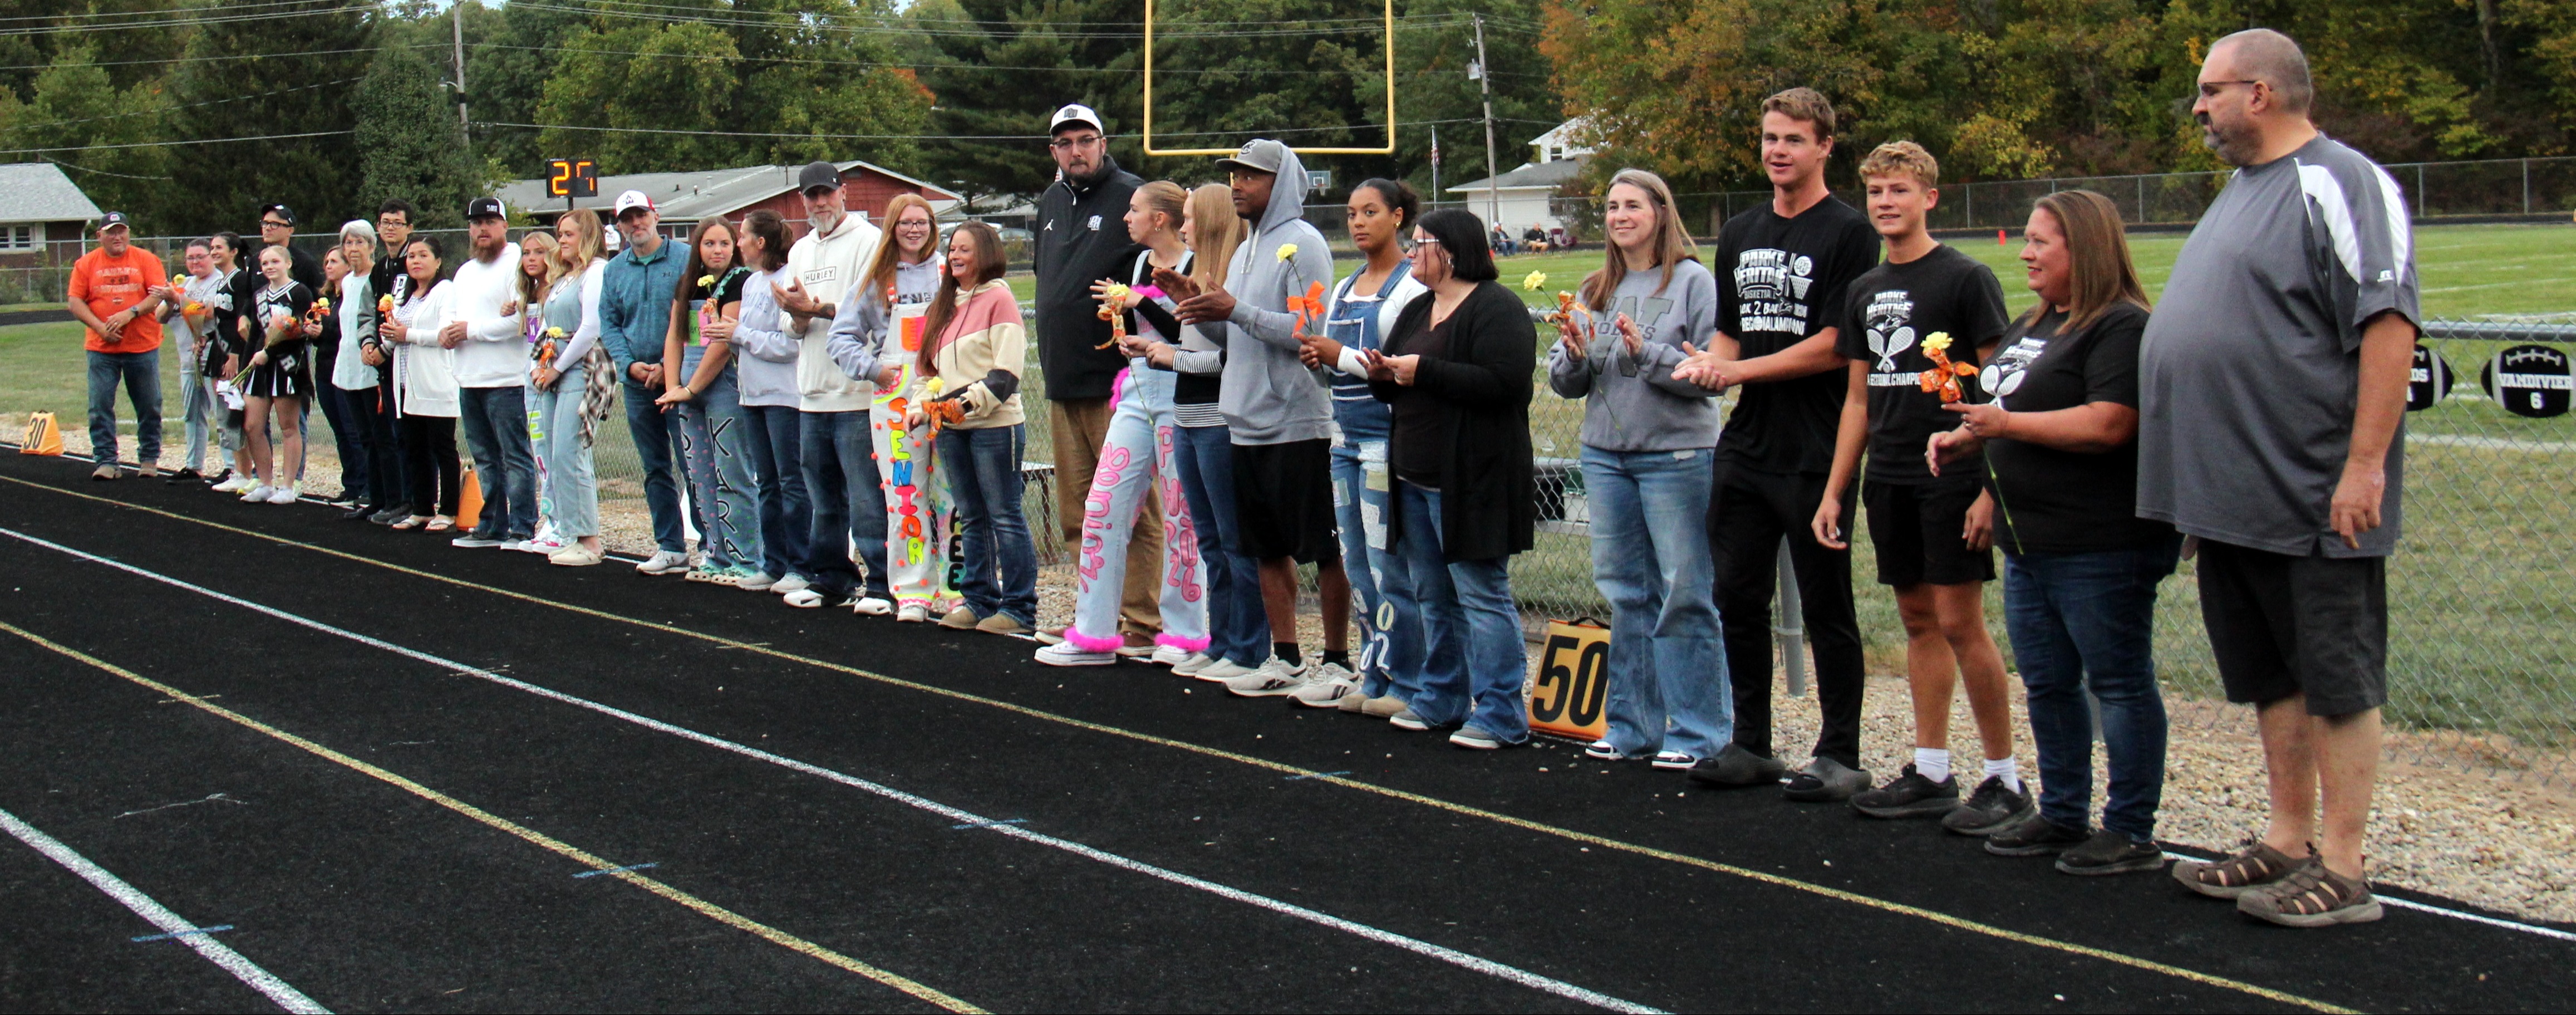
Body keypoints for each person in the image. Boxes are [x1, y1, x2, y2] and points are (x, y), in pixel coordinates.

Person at [2141, 29, 2416, 928]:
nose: (2197, 108)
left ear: (2258, 93)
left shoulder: (2340, 181)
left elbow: (2385, 323)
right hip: (2230, 496)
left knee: (2333, 675)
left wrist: (2362, 465)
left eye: (2208, 90)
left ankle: (2342, 865)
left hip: (2307, 490)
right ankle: (2285, 837)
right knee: (2270, 675)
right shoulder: (2238, 189)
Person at [1930, 189, 2177, 874]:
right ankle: (2063, 810)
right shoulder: (2033, 324)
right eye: (2030, 240)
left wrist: (2002, 427)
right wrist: (1968, 444)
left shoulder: (2119, 327)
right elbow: (2004, 409)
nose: (2028, 253)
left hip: (2100, 542)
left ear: (2085, 249)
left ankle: (2129, 827)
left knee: (2119, 682)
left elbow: (2108, 423)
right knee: (2047, 681)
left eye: (2042, 242)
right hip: (2028, 540)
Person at [1673, 87, 1881, 802]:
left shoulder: (1849, 232)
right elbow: (1731, 331)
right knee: (1735, 591)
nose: (1776, 151)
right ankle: (1751, 741)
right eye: (1768, 138)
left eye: (1793, 139)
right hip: (1748, 439)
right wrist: (1707, 365)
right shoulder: (1740, 230)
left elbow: (1832, 344)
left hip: (1817, 443)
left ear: (1825, 146)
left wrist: (1734, 368)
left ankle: (1838, 751)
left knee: (1826, 602)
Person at [1810, 141, 2021, 825]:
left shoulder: (1964, 278)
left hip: (1952, 473)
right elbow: (1857, 400)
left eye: (1898, 189)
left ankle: (2004, 777)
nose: (1884, 202)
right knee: (1916, 618)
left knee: (1962, 620)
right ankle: (1931, 767)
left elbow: (2000, 389)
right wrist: (1834, 489)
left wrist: (1990, 487)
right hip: (1890, 474)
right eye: (1874, 191)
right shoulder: (1864, 290)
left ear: (1928, 197)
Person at [1545, 169, 1731, 770]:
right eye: (1611, 206)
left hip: (1674, 457)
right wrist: (1574, 354)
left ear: (1659, 211)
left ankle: (1699, 732)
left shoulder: (1693, 284)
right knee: (1627, 594)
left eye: (1632, 205)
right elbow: (1566, 382)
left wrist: (1642, 350)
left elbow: (1709, 377)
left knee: (1684, 593)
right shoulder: (1597, 286)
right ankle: (1631, 727)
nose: (1619, 215)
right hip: (1605, 457)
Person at [1164, 139, 1350, 694]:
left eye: (1249, 176)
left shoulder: (1305, 244)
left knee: (1321, 545)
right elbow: (1236, 335)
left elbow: (1309, 330)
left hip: (1295, 420)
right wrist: (1197, 302)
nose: (1237, 185)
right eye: (1233, 176)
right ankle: (1286, 654)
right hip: (1243, 418)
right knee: (1264, 546)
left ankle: (1338, 657)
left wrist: (1235, 310)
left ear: (1280, 182)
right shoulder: (1244, 249)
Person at [1365, 208, 1537, 749]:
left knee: (1481, 592)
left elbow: (1508, 385)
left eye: (1421, 244)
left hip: (1472, 477)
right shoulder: (1420, 305)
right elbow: (1400, 378)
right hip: (1414, 474)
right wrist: (1382, 375)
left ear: (1453, 250)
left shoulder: (1497, 308)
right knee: (1430, 594)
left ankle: (1502, 711)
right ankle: (1442, 696)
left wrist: (1424, 371)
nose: (1411, 252)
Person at [1034, 180, 1209, 667]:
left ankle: (1184, 635)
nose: (1125, 218)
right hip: (1136, 395)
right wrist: (1125, 326)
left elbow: (1191, 333)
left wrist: (1140, 304)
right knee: (1103, 506)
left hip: (1181, 400)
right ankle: (1092, 632)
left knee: (1181, 518)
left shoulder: (1197, 265)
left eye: (1134, 211)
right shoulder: (1137, 264)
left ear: (1160, 219)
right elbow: (1144, 334)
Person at [1289, 177, 1427, 712]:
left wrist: (1337, 353)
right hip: (1342, 438)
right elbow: (1335, 369)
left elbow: (1393, 369)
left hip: (1383, 441)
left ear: (1398, 217)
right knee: (1356, 562)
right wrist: (1320, 362)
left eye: (1370, 212)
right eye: (1350, 213)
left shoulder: (1411, 288)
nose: (1358, 222)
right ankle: (1375, 669)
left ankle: (1408, 678)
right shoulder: (1345, 288)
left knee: (1391, 563)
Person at [1031, 102, 1167, 645]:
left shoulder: (1133, 198)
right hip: (1063, 379)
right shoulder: (1048, 200)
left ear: (1103, 143)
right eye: (1064, 142)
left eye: (1084, 139)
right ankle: (1096, 617)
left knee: (1130, 507)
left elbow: (1163, 277)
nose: (1075, 150)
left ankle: (1143, 622)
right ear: (1053, 152)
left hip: (1118, 382)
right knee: (1077, 512)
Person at [913, 222, 1038, 634]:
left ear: (985, 253)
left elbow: (1006, 375)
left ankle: (1019, 606)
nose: (955, 256)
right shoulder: (945, 306)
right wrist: (923, 407)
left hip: (994, 426)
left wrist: (958, 406)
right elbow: (926, 373)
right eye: (952, 250)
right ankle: (979, 599)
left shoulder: (999, 299)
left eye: (965, 249)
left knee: (1005, 514)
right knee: (970, 515)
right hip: (951, 428)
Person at [778, 162, 890, 610]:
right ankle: (832, 577)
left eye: (827, 193)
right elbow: (792, 325)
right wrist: (799, 313)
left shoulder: (867, 242)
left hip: (856, 390)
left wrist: (815, 308)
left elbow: (865, 311)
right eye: (812, 196)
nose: (820, 203)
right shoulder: (800, 250)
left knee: (865, 496)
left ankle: (882, 581)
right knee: (822, 497)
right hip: (811, 391)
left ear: (843, 193)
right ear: (803, 200)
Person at [827, 194, 943, 617]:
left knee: (950, 495)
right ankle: (912, 589)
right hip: (895, 401)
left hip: (944, 391)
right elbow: (839, 338)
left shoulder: (949, 271)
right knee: (905, 494)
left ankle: (954, 588)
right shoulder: (876, 280)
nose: (915, 230)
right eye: (906, 223)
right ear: (892, 228)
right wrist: (875, 370)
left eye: (923, 222)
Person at [1161, 184, 1260, 680]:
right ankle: (1221, 641)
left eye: (1190, 219)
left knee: (1235, 540)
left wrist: (1169, 356)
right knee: (1210, 542)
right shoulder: (1193, 274)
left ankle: (1249, 647)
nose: (1182, 229)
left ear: (1214, 222)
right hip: (1187, 420)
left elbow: (1231, 359)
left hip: (1221, 424)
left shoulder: (1234, 282)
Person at [657, 214, 763, 585]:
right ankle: (716, 552)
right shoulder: (688, 284)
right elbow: (675, 337)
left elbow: (722, 344)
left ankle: (746, 556)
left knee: (731, 472)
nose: (717, 250)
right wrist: (674, 385)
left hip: (722, 388)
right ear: (697, 249)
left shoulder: (739, 283)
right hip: (688, 391)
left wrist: (692, 387)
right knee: (700, 477)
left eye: (724, 243)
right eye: (709, 243)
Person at [597, 190, 695, 575]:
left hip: (680, 380)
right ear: (619, 225)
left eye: (641, 216)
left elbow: (696, 314)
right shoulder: (615, 269)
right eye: (627, 219)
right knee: (655, 467)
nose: (635, 224)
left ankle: (712, 544)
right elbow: (610, 323)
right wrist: (630, 364)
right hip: (638, 384)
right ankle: (670, 546)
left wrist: (670, 366)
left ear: (655, 216)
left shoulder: (686, 259)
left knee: (693, 464)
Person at [730, 209, 815, 594]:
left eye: (742, 236)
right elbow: (746, 339)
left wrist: (741, 334)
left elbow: (788, 346)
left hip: (784, 397)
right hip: (752, 395)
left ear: (760, 242)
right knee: (766, 482)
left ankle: (801, 563)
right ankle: (774, 561)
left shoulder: (789, 281)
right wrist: (729, 334)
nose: (738, 243)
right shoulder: (750, 284)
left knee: (791, 482)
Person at [444, 197, 534, 551]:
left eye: (490, 222)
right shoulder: (466, 270)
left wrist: (471, 330)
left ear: (504, 226)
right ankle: (491, 525)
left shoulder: (518, 265)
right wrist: (447, 332)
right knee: (484, 458)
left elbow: (520, 321)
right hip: (470, 379)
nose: (483, 229)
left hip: (507, 380)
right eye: (476, 223)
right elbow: (452, 316)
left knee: (515, 457)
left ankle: (522, 527)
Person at [529, 210, 611, 567]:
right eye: (559, 234)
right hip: (554, 372)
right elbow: (548, 326)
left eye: (569, 234)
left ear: (587, 236)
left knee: (569, 452)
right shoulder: (564, 277)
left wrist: (558, 368)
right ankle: (567, 530)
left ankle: (589, 539)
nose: (561, 240)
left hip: (580, 371)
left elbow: (591, 326)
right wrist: (539, 364)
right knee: (553, 453)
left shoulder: (595, 273)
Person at [66, 211, 169, 480]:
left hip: (142, 346)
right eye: (110, 232)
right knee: (99, 404)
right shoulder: (86, 264)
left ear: (129, 233)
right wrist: (100, 327)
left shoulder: (146, 259)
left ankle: (148, 458)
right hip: (102, 349)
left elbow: (157, 295)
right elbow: (75, 302)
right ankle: (107, 461)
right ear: (99, 235)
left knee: (149, 404)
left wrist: (131, 313)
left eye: (121, 231)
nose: (117, 236)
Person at [383, 235, 461, 532]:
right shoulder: (407, 295)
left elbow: (444, 334)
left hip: (435, 381)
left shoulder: (445, 291)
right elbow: (398, 334)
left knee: (442, 446)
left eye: (423, 255)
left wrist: (408, 335)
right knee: (413, 446)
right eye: (411, 256)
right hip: (404, 383)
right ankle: (422, 507)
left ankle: (450, 510)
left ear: (438, 261)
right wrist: (387, 336)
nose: (415, 261)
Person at [237, 244, 317, 503]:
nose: (270, 267)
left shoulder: (299, 292)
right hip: (260, 366)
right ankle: (265, 481)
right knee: (252, 426)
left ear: (287, 264)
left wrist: (270, 353)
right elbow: (257, 334)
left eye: (275, 262)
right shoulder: (259, 295)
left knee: (288, 427)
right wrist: (247, 366)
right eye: (265, 263)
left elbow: (300, 330)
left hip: (288, 366)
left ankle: (288, 486)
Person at [328, 221, 396, 522]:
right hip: (348, 367)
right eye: (348, 244)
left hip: (371, 368)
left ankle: (391, 499)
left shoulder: (377, 278)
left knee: (382, 437)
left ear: (371, 245)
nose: (353, 249)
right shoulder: (347, 282)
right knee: (364, 436)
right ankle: (373, 496)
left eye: (359, 243)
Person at [364, 201, 419, 524]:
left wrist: (386, 348)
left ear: (409, 227)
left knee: (410, 434)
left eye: (397, 223)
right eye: (385, 222)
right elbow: (372, 311)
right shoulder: (381, 267)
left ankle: (415, 500)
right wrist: (370, 344)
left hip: (405, 356)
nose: (390, 228)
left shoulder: (413, 262)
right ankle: (397, 498)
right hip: (385, 359)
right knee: (392, 433)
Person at [509, 231, 563, 551]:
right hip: (530, 380)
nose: (531, 259)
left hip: (551, 378)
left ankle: (561, 520)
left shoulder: (558, 293)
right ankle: (549, 518)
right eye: (527, 253)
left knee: (556, 452)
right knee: (539, 451)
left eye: (539, 252)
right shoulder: (526, 297)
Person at [163, 238, 223, 483]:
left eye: (201, 256)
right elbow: (159, 317)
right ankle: (193, 465)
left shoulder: (219, 282)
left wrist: (178, 299)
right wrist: (169, 299)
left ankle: (231, 466)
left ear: (211, 257)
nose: (196, 262)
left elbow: (207, 311)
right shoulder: (183, 284)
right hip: (188, 359)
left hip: (213, 356)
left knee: (222, 413)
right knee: (192, 413)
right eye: (190, 258)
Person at [205, 231, 257, 493]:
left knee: (234, 413)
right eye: (211, 248)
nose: (213, 252)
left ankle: (245, 472)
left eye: (219, 248)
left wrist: (235, 355)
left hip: (233, 353)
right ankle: (239, 470)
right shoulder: (222, 280)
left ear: (234, 251)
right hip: (219, 349)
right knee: (225, 414)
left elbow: (241, 319)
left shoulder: (239, 279)